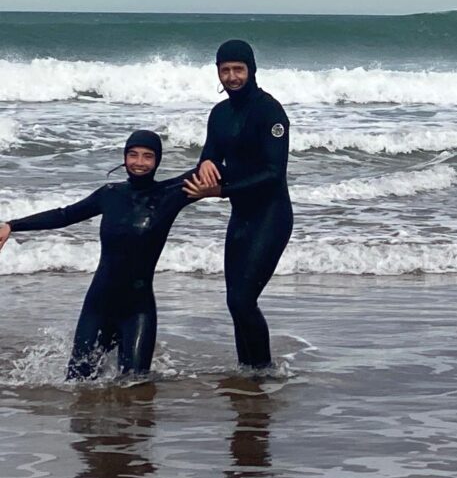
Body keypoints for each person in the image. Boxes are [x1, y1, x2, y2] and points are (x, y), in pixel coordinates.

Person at [0, 131, 209, 380]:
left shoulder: (171, 194)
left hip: (138, 311)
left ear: (157, 161)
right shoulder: (109, 194)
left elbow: (217, 165)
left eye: (147, 156)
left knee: (135, 387)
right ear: (124, 157)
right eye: (133, 155)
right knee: (77, 384)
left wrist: (219, 182)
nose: (139, 162)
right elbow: (65, 215)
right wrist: (12, 225)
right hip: (98, 307)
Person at [185, 40, 293, 370]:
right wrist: (205, 163)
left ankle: (263, 373)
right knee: (235, 303)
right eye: (225, 70)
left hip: (271, 215)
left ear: (251, 70)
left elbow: (273, 173)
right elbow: (212, 152)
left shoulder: (270, 112)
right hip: (242, 216)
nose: (232, 76)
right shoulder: (220, 113)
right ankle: (248, 372)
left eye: (238, 69)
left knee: (242, 300)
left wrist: (221, 190)